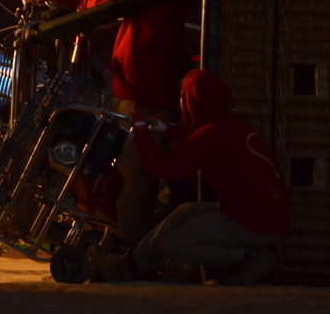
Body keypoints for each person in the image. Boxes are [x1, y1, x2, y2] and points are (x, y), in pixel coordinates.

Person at [19, 0, 192, 242]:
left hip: (146, 95)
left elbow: (108, 0)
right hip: (134, 91)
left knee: (134, 174)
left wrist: (78, 11)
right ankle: (120, 237)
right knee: (123, 166)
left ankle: (132, 251)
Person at [92, 69, 290, 284]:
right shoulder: (227, 122)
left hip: (251, 222)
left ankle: (250, 258)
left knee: (170, 244)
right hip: (264, 213)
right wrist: (168, 129)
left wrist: (139, 130)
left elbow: (162, 168)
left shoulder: (211, 136)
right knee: (184, 212)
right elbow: (199, 140)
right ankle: (129, 265)